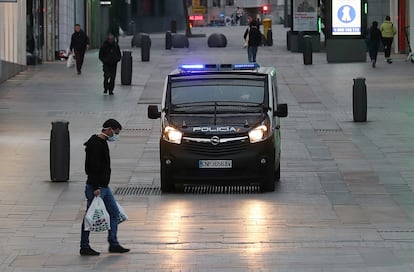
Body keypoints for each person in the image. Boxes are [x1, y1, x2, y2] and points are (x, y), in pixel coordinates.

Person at [80, 119, 130, 256]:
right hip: (96, 187)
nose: (115, 136)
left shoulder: (102, 142)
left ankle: (113, 243)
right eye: (115, 133)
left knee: (114, 213)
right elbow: (91, 167)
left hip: (105, 187)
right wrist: (96, 186)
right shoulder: (95, 145)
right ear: (108, 129)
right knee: (89, 217)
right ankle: (84, 246)